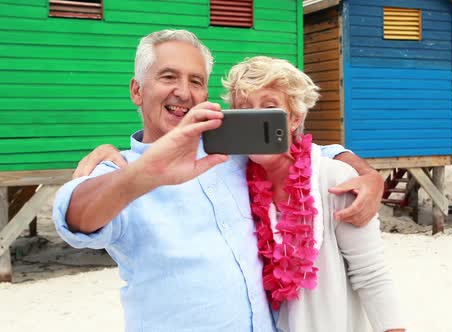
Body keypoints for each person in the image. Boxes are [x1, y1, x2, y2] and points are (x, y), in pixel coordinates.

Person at [53, 29, 384, 331]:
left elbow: (306, 151)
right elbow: (76, 218)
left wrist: (367, 174)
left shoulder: (233, 149)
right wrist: (143, 173)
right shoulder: (119, 171)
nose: (183, 91)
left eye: (196, 81)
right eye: (168, 76)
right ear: (137, 90)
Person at [222, 56, 404, 332]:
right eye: (244, 109)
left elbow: (372, 275)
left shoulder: (335, 179)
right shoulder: (234, 182)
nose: (255, 119)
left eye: (269, 107)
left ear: (295, 118)